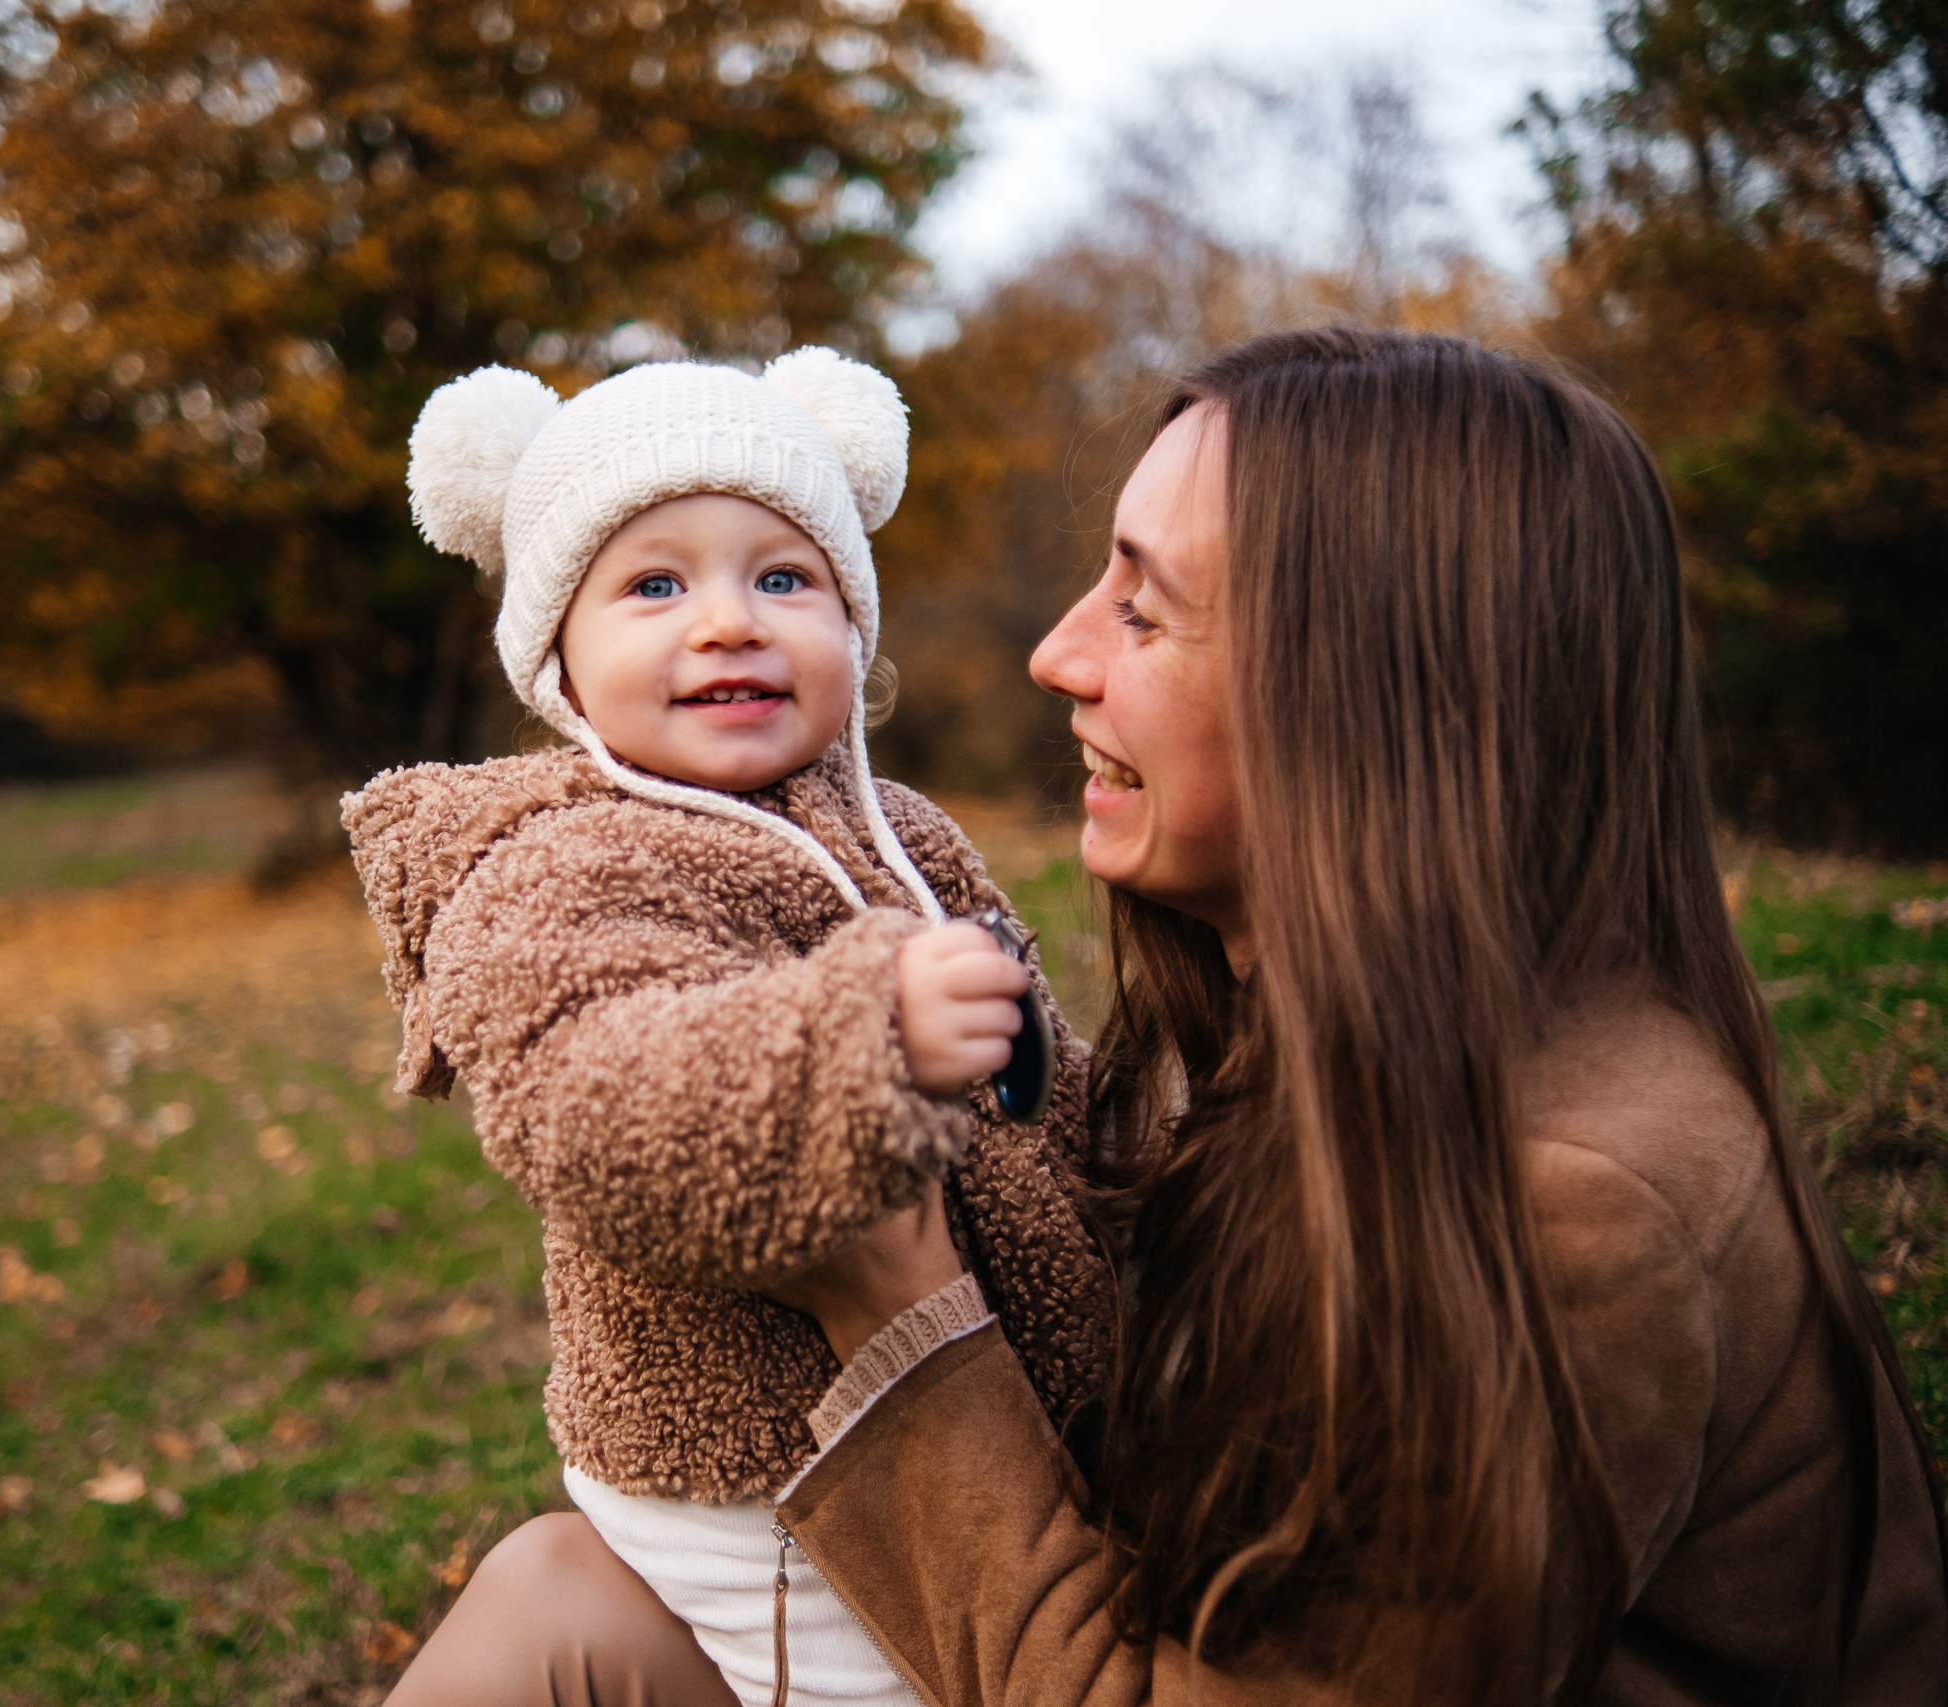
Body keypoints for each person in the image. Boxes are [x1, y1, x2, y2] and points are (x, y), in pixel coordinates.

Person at [405, 328, 1948, 1704]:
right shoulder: (1350, 1027)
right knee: (551, 1599)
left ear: (1371, 701)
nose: (1055, 654)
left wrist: (887, 1296)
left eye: (1143, 615)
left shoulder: (1564, 1213)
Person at [342, 350, 1116, 1707]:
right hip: (770, 1485)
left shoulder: (907, 834)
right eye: (654, 583)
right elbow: (601, 1104)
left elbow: (1047, 1089)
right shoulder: (552, 868)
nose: (728, 623)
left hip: (986, 1428)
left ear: (853, 621)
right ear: (556, 655)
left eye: (783, 576)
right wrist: (863, 1034)